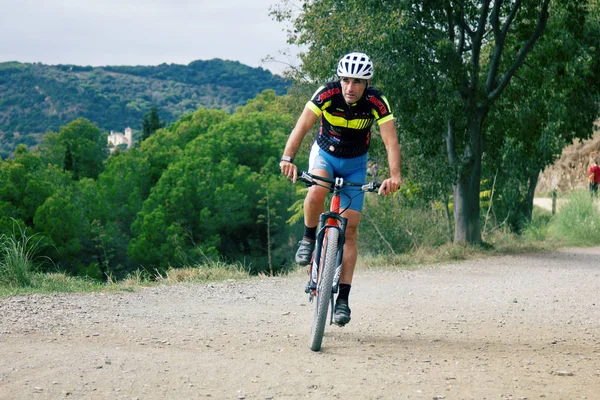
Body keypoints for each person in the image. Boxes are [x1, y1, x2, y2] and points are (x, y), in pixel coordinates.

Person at [279, 52, 402, 326]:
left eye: (357, 82)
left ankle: (343, 300)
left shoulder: (376, 102)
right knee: (317, 191)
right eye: (346, 80)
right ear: (340, 80)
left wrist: (394, 176)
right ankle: (308, 239)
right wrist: (287, 158)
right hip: (325, 155)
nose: (350, 87)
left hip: (355, 164)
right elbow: (302, 126)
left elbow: (391, 142)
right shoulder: (327, 94)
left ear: (366, 83)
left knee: (351, 232)